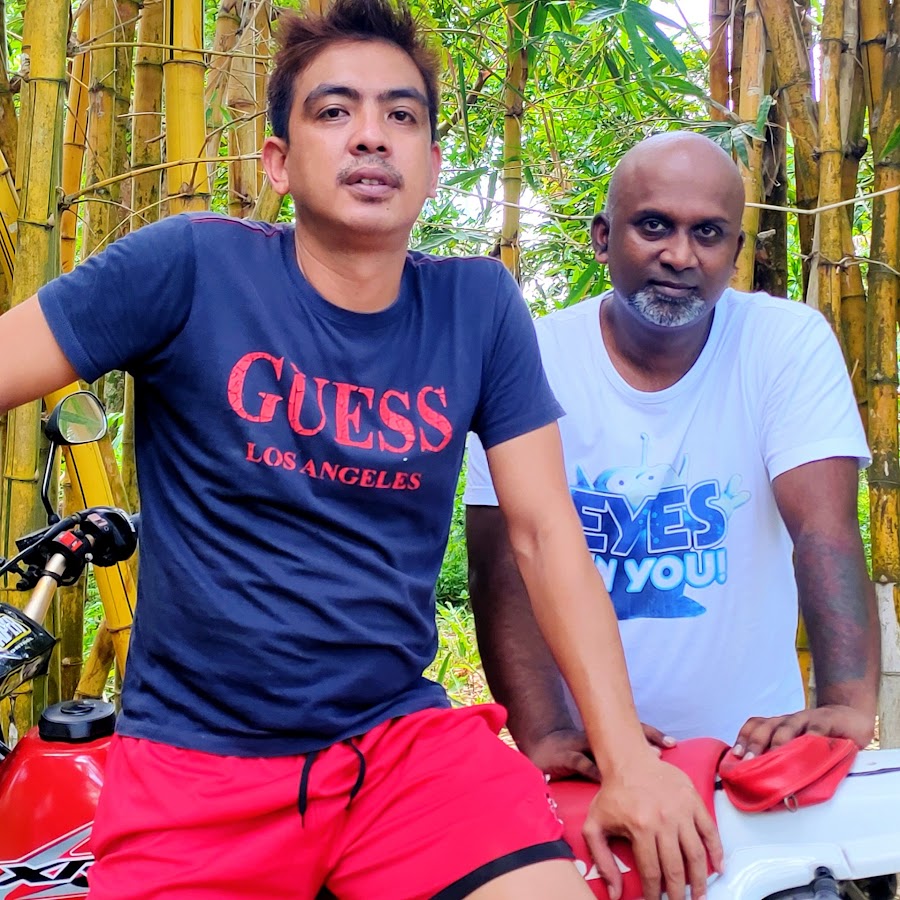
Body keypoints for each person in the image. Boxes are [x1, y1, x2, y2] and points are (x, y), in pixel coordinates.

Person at [0, 8, 719, 900]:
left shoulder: (478, 307)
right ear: (278, 162)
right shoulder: (190, 268)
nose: (372, 135)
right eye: (335, 111)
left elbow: (544, 533)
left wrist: (628, 761)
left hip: (398, 753)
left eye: (400, 115)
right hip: (197, 768)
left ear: (432, 166)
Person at [465, 132, 879, 786]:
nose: (680, 255)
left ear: (735, 254)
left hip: (754, 759)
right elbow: (501, 568)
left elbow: (823, 530)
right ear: (603, 239)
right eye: (653, 226)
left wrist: (844, 708)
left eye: (707, 233)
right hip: (591, 763)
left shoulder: (784, 343)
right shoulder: (532, 358)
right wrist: (545, 732)